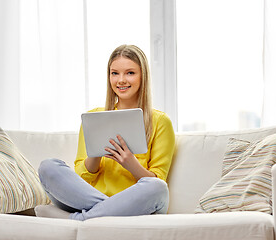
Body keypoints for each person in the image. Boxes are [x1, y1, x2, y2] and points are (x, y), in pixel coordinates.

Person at [35, 44, 175, 221]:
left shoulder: (160, 121)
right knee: (48, 167)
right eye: (114, 73)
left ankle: (81, 219)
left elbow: (158, 180)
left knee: (158, 188)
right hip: (90, 198)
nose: (121, 80)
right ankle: (105, 212)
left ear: (143, 76)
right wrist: (96, 154)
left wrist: (130, 163)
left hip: (138, 204)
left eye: (130, 73)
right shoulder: (94, 117)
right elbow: (81, 178)